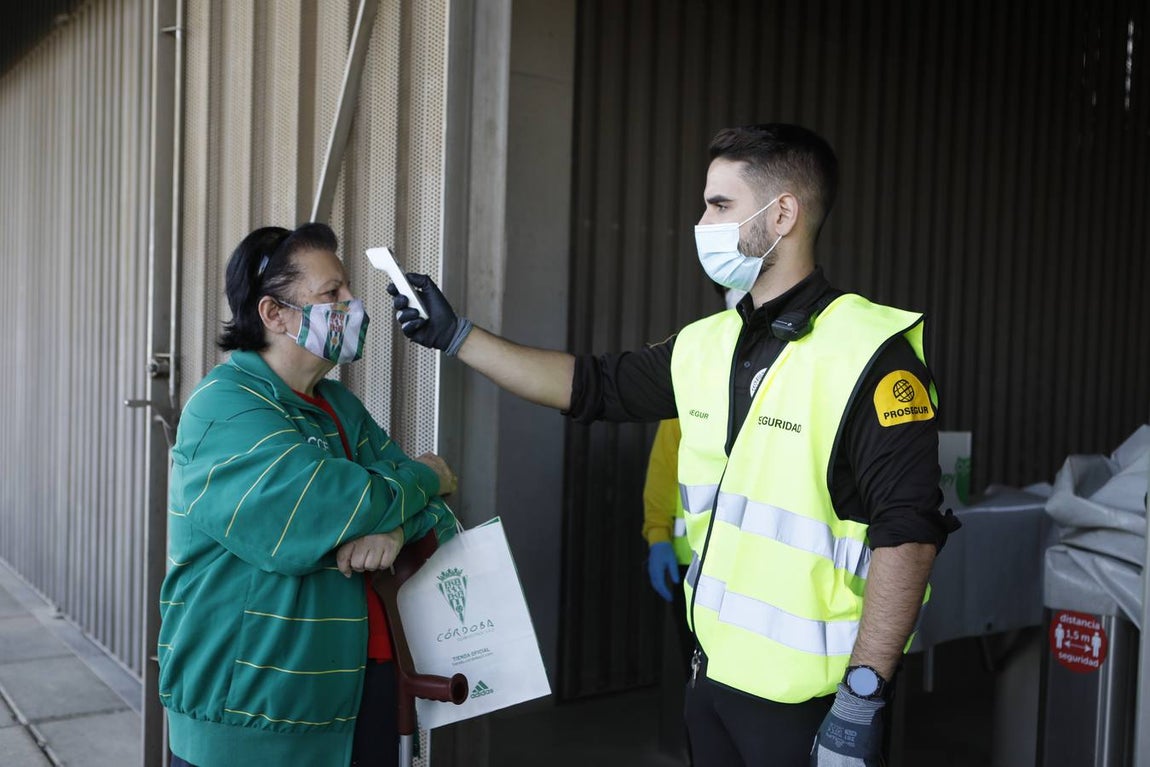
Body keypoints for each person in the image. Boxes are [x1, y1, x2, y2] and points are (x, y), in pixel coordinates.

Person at [389, 123, 958, 767]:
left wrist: (862, 699)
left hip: (815, 704)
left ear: (784, 214)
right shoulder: (707, 343)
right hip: (710, 679)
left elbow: (908, 536)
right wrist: (459, 336)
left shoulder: (870, 356)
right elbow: (590, 386)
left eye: (720, 205)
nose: (701, 222)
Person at [158, 223, 459, 767]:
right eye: (333, 294)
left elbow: (427, 511)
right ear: (274, 315)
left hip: (356, 696)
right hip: (255, 718)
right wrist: (426, 477)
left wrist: (393, 528)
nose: (355, 304)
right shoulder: (224, 407)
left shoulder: (339, 405)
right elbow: (319, 510)